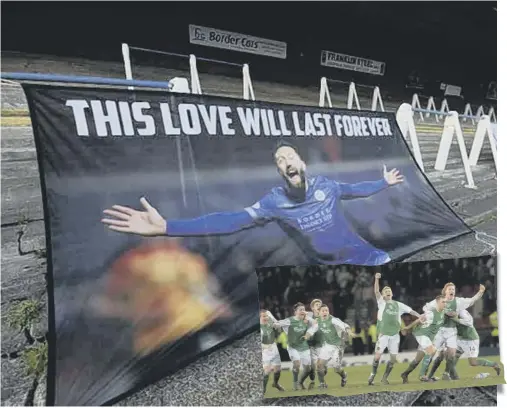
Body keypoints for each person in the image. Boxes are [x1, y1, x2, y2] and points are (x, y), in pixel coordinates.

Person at [101, 141, 404, 266]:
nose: (286, 161)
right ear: (279, 172)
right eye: (280, 160)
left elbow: (355, 189)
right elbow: (229, 220)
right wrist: (168, 226)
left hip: (371, 258)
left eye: (290, 156)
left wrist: (383, 183)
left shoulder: (327, 185)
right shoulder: (274, 202)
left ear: (302, 161)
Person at [423, 282, 485, 381]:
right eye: (450, 289)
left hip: (451, 332)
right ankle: (427, 375)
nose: (452, 291)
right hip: (440, 331)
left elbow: (472, 300)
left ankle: (449, 375)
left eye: (453, 289)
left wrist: (480, 292)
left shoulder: (458, 302)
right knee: (436, 354)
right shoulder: (439, 301)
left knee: (450, 355)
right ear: (445, 291)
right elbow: (426, 308)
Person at [368, 273, 422, 386]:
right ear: (382, 295)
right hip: (383, 334)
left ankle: (384, 378)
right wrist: (377, 279)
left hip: (395, 336)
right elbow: (376, 291)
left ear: (392, 293)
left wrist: (420, 316)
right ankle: (372, 375)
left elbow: (410, 311)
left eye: (389, 290)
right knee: (377, 356)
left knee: (393, 359)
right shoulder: (382, 302)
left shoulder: (398, 305)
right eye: (385, 291)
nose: (387, 291)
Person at [428, 309, 501, 379]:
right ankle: (452, 376)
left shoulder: (462, 312)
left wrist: (456, 319)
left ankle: (494, 364)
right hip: (460, 339)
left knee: (473, 362)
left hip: (470, 340)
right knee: (452, 358)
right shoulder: (446, 316)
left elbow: (469, 322)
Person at [400, 295, 447, 383]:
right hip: (421, 333)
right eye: (443, 302)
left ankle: (405, 374)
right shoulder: (432, 313)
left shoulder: (443, 312)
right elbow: (419, 319)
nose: (445, 304)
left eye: (445, 302)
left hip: (429, 337)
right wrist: (407, 328)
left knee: (417, 360)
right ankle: (422, 376)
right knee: (431, 350)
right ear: (437, 303)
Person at [271, 303, 318, 390]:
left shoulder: (307, 320)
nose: (302, 311)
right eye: (300, 310)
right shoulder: (290, 321)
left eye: (303, 309)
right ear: (295, 312)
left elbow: (316, 324)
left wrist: (309, 319)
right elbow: (277, 324)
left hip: (304, 347)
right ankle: (295, 384)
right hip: (293, 347)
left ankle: (301, 382)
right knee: (296, 364)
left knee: (307, 369)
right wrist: (275, 325)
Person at [315, 304, 358, 389]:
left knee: (336, 369)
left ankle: (344, 375)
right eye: (323, 311)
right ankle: (322, 384)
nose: (325, 312)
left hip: (337, 347)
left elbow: (345, 325)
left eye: (326, 310)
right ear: (319, 313)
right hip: (327, 346)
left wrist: (349, 332)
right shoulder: (317, 321)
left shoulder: (334, 320)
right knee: (319, 365)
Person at [260, 310, 285, 393]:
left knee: (277, 370)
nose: (265, 318)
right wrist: (265, 346)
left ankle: (275, 383)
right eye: (263, 316)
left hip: (274, 349)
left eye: (266, 316)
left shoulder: (270, 322)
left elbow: (278, 325)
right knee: (266, 372)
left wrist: (274, 322)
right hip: (265, 353)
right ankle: (263, 390)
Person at [305, 299, 324, 390]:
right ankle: (312, 379)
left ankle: (321, 382)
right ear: (312, 308)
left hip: (321, 344)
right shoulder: (308, 315)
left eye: (320, 304)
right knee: (312, 366)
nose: (319, 306)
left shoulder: (325, 316)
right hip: (310, 345)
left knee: (322, 367)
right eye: (317, 304)